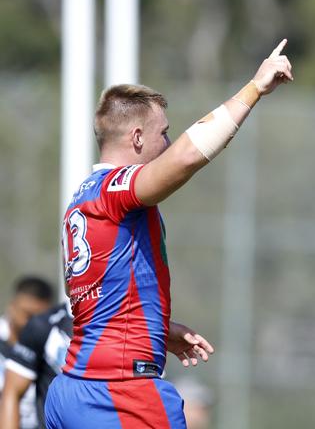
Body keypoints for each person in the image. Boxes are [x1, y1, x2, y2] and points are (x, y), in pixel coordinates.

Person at [45, 40, 293, 429]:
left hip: (74, 387)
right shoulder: (115, 190)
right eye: (164, 133)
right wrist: (254, 89)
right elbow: (187, 156)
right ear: (138, 137)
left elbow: (97, 299)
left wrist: (155, 328)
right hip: (118, 392)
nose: (168, 142)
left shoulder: (82, 198)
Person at [0, 302, 72, 429]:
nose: (25, 321)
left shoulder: (115, 323)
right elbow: (12, 392)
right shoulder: (45, 324)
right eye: (26, 314)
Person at [0, 276, 53, 429]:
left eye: (40, 318)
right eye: (28, 315)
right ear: (12, 306)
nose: (34, 324)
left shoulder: (52, 349)